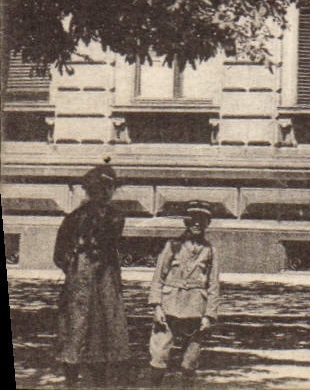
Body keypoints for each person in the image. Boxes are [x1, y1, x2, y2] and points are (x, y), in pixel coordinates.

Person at [54, 160, 132, 387]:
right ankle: (71, 382)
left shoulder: (115, 216)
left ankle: (100, 383)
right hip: (79, 281)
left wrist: (92, 253)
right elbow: (59, 252)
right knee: (75, 329)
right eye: (96, 189)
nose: (103, 193)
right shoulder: (74, 218)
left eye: (107, 189)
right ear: (89, 190)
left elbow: (108, 242)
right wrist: (74, 265)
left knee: (102, 329)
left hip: (104, 280)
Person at [147, 200, 223, 384]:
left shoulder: (210, 250)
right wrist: (157, 306)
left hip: (195, 308)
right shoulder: (172, 246)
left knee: (190, 361)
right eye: (193, 219)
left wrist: (209, 315)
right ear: (186, 222)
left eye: (202, 219)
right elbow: (159, 276)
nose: (197, 223)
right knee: (158, 356)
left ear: (208, 223)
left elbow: (213, 285)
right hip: (169, 306)